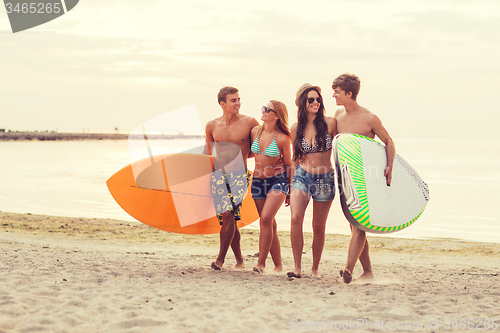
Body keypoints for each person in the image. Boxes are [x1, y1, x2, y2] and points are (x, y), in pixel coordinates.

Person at [332, 73, 395, 283]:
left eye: (338, 92)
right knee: (355, 224)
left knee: (359, 224)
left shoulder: (370, 118)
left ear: (349, 93)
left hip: (367, 179)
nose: (334, 95)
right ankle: (367, 272)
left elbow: (389, 141)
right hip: (346, 178)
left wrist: (390, 167)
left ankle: (348, 268)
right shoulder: (338, 115)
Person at [205, 86, 259, 270]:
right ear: (222, 104)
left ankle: (220, 259)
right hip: (218, 176)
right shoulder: (212, 126)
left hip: (239, 176)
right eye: (233, 100)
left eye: (238, 99)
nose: (238, 103)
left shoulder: (250, 122)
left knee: (228, 214)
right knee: (230, 219)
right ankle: (240, 261)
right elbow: (208, 154)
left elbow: (258, 148)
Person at [287, 84, 337, 278]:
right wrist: (290, 184)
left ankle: (315, 268)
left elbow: (346, 143)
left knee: (318, 226)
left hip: (325, 178)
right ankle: (297, 267)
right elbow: (294, 157)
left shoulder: (330, 123)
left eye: (318, 99)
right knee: (295, 219)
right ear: (302, 103)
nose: (315, 102)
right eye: (311, 100)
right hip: (302, 175)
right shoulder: (295, 128)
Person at [250, 100, 292, 274]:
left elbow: (289, 164)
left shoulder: (283, 138)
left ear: (277, 115)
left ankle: (261, 263)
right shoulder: (254, 132)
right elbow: (244, 152)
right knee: (270, 224)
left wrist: (290, 190)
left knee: (265, 219)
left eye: (267, 109)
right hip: (258, 181)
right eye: (263, 108)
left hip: (277, 180)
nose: (263, 111)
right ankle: (279, 265)